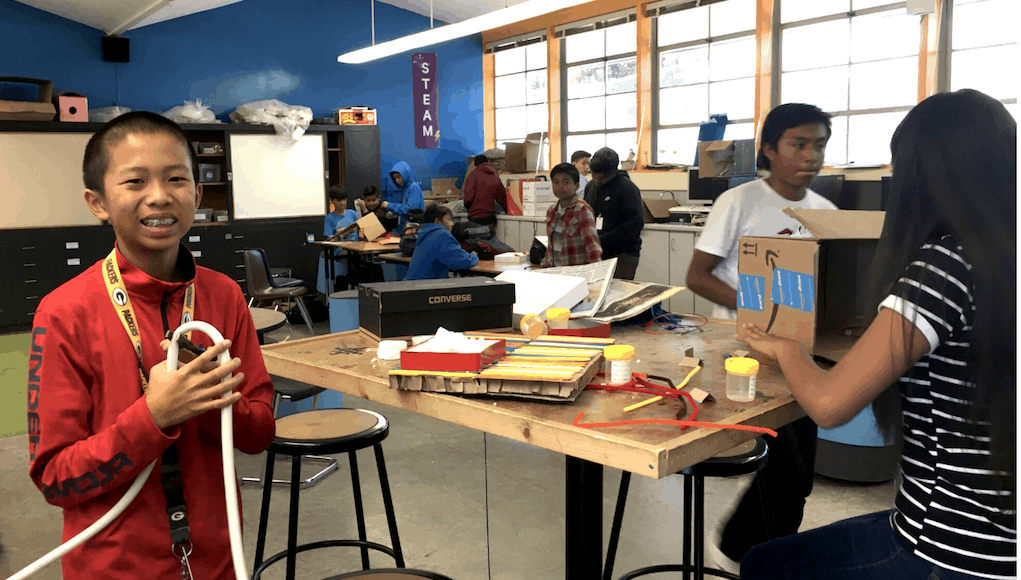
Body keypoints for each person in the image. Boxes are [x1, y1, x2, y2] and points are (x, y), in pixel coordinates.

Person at [739, 89, 1016, 580]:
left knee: (765, 566)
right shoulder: (1002, 253)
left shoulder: (946, 267)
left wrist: (785, 347)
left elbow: (828, 404)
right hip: (1002, 530)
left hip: (953, 546)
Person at [27, 111, 275, 578]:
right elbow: (56, 478)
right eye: (135, 181)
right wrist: (154, 417)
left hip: (217, 560)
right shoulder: (64, 312)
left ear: (197, 195)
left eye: (176, 178)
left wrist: (209, 400)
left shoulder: (222, 296)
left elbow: (259, 433)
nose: (159, 196)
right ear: (97, 202)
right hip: (115, 567)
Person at [685, 103, 838, 573]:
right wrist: (757, 312)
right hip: (745, 350)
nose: (811, 155)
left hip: (802, 352)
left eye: (819, 145)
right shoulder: (741, 202)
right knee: (787, 468)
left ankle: (765, 554)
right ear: (770, 149)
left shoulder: (827, 212)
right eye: (799, 144)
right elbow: (698, 276)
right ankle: (737, 551)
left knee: (799, 475)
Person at [583, 147, 644, 280]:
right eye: (594, 176)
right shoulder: (590, 187)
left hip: (622, 254)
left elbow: (634, 225)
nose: (598, 181)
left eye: (603, 178)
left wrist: (602, 239)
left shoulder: (628, 189)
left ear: (614, 172)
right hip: (595, 252)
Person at [541, 162, 601, 267]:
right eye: (556, 182)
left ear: (576, 186)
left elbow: (592, 247)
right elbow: (551, 249)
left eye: (566, 182)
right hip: (555, 273)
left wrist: (596, 275)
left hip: (577, 274)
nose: (560, 187)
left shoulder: (582, 210)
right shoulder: (551, 211)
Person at [405, 204, 479, 281]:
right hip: (427, 287)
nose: (452, 224)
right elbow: (461, 261)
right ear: (437, 221)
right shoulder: (441, 234)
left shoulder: (424, 233)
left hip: (412, 285)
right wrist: (474, 256)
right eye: (449, 220)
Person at [318, 186, 360, 294]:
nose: (342, 203)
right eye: (339, 200)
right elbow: (329, 240)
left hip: (356, 246)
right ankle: (350, 287)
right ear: (332, 201)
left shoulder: (353, 214)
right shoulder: (329, 218)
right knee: (354, 259)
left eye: (344, 200)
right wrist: (342, 234)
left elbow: (361, 229)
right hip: (340, 250)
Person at [375, 161, 425, 236]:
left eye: (399, 177)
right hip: (406, 229)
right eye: (395, 178)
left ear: (405, 175)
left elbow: (411, 210)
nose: (397, 180)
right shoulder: (405, 189)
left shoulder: (414, 188)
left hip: (413, 230)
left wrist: (389, 205)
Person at [462, 154, 507, 231]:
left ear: (476, 165)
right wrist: (508, 210)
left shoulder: (473, 175)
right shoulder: (495, 176)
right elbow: (502, 197)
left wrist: (467, 207)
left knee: (476, 241)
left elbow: (468, 198)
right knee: (488, 241)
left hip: (475, 218)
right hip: (490, 219)